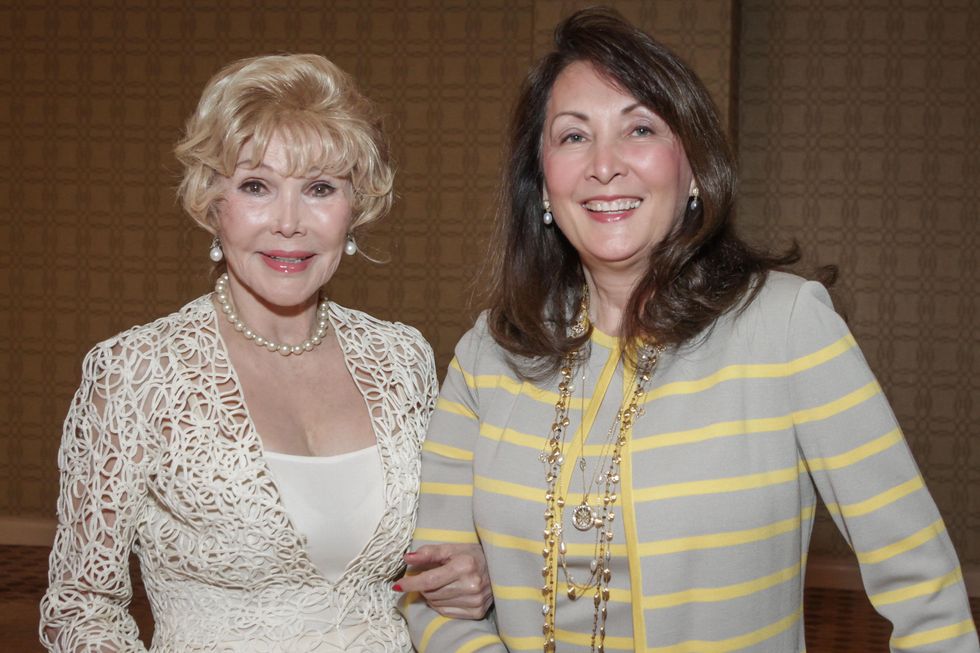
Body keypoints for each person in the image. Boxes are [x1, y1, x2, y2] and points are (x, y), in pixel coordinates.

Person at [402, 8, 978, 653]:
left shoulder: (785, 325)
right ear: (541, 183)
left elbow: (922, 585)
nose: (604, 165)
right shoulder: (491, 348)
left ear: (695, 169)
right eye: (572, 136)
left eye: (640, 128)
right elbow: (433, 591)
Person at [40, 53, 487, 652]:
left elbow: (443, 549)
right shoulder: (135, 372)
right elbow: (81, 608)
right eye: (257, 186)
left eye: (320, 189)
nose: (288, 222)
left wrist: (470, 575)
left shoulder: (402, 359)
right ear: (212, 202)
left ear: (355, 209)